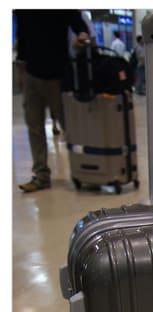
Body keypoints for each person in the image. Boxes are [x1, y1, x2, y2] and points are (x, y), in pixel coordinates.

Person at [15, 10, 89, 192]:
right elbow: (22, 38)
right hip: (31, 73)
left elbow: (78, 22)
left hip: (58, 75)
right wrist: (21, 72)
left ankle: (85, 170)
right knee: (34, 128)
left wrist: (82, 34)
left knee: (70, 127)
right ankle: (41, 176)